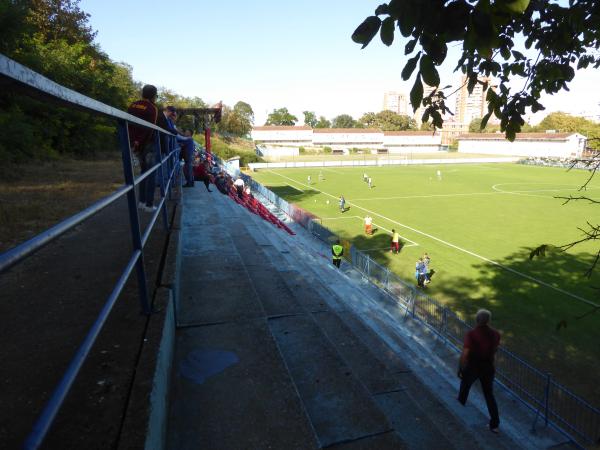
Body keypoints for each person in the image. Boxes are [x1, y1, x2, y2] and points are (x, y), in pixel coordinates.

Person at [458, 309, 501, 433]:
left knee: (464, 389)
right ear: (488, 321)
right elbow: (495, 350)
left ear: (477, 320)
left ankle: (458, 413)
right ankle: (495, 424)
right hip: (488, 368)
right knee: (489, 395)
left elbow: (465, 353)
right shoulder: (496, 334)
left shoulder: (471, 334)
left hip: (473, 366)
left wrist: (461, 367)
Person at [127, 84, 159, 212]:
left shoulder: (132, 105)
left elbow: (128, 124)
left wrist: (133, 142)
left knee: (142, 172)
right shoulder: (152, 108)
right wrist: (140, 143)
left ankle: (141, 202)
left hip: (133, 143)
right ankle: (149, 205)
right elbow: (150, 129)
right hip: (147, 145)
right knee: (151, 173)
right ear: (153, 95)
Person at [157, 106, 196, 187]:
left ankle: (189, 182)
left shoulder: (189, 139)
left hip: (181, 152)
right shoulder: (166, 120)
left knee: (187, 166)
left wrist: (181, 136)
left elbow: (179, 138)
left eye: (187, 132)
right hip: (167, 146)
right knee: (185, 166)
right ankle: (189, 182)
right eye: (173, 115)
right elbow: (177, 136)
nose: (185, 133)